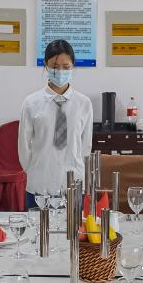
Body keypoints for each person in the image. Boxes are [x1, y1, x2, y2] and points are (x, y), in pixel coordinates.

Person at [18, 39, 93, 206]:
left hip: (73, 183)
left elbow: (85, 146)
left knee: (72, 223)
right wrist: (34, 170)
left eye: (66, 67)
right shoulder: (31, 103)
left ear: (73, 66)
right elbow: (24, 145)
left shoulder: (84, 103)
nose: (60, 71)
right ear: (46, 66)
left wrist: (79, 173)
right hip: (39, 183)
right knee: (38, 223)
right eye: (54, 66)